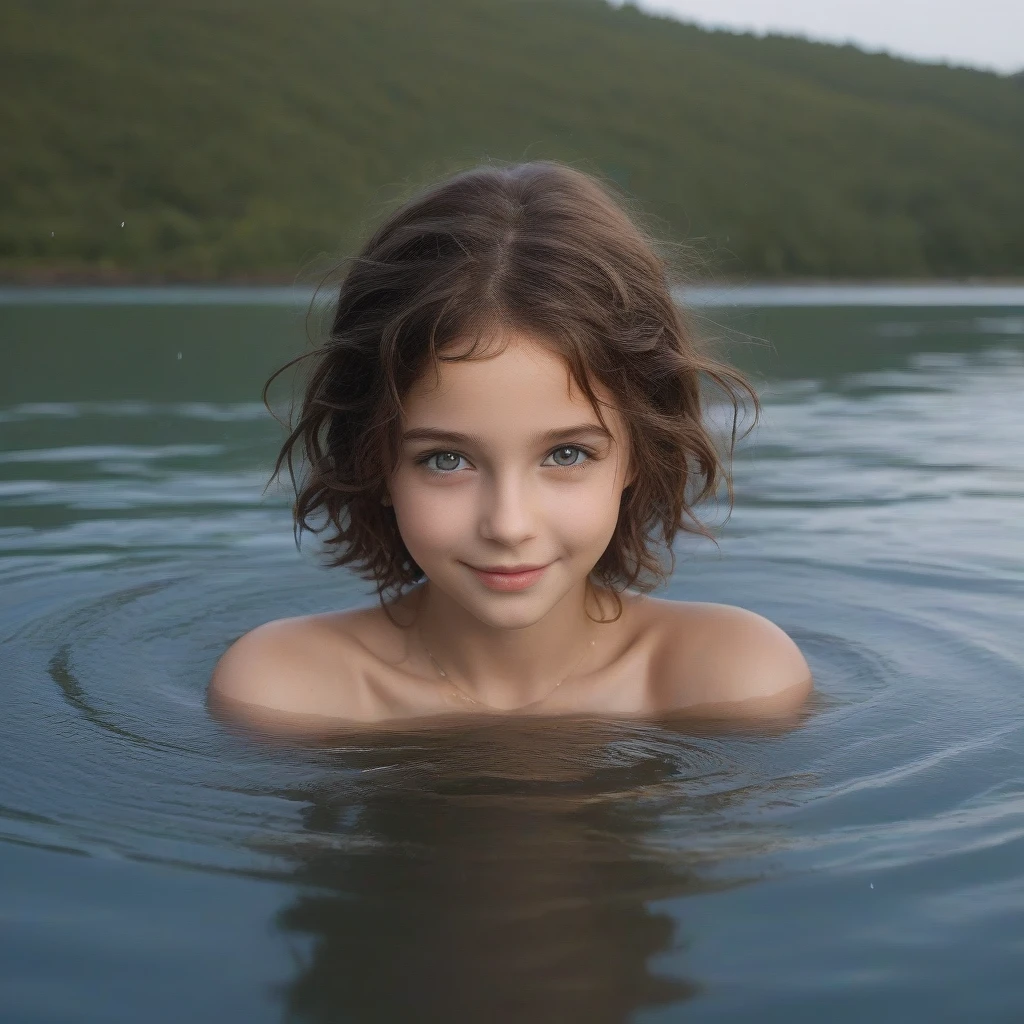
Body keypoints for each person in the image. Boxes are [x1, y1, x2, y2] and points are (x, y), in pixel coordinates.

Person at [209, 160, 811, 732]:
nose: (508, 524)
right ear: (374, 461)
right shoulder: (285, 692)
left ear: (637, 453)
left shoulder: (730, 681)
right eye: (446, 459)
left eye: (567, 454)